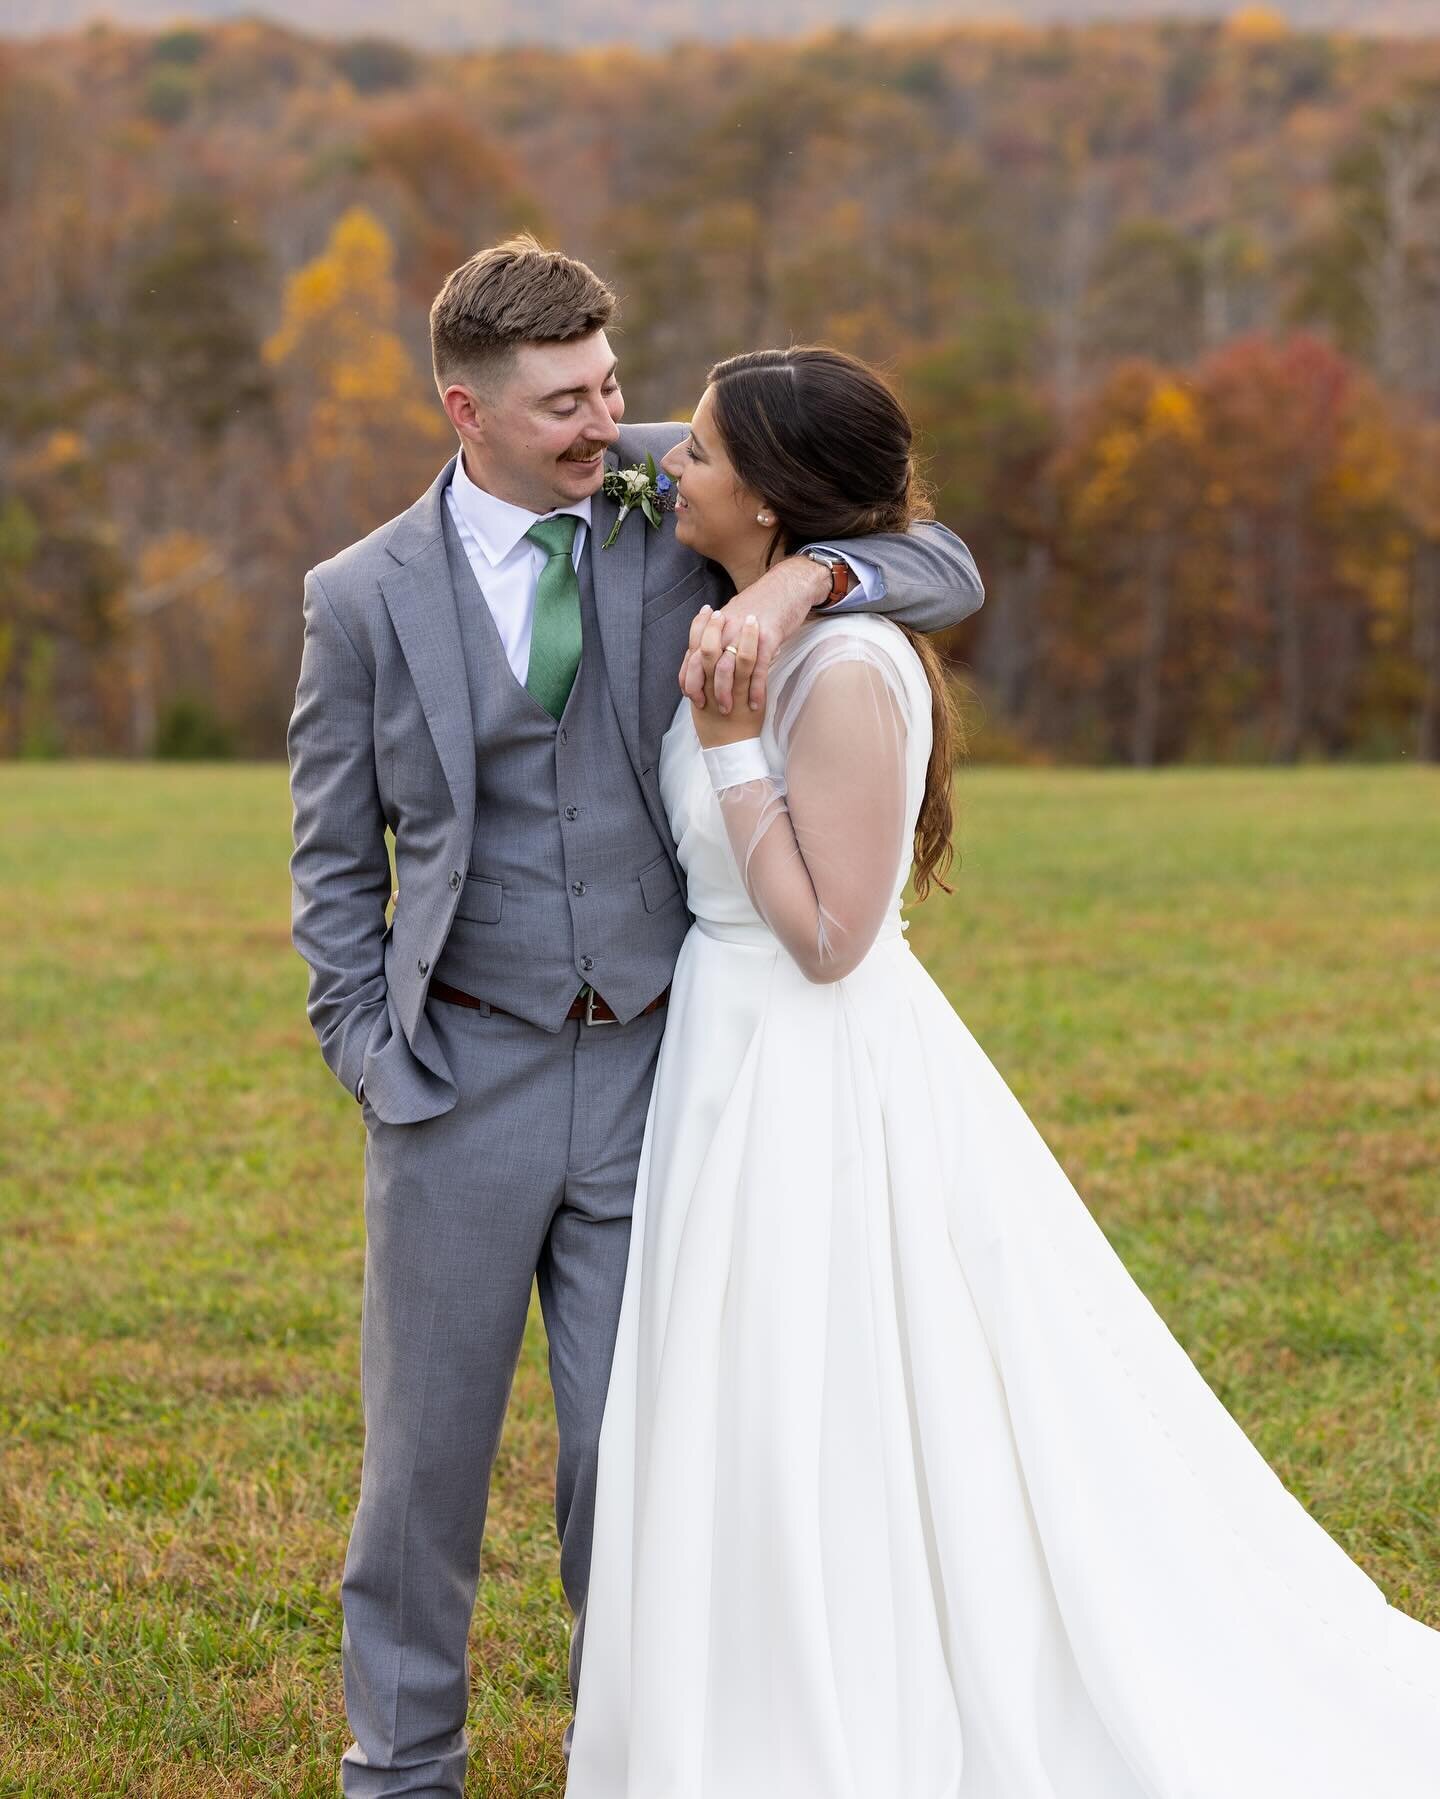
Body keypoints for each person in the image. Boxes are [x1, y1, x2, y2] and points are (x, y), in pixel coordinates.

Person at [562, 346, 1440, 1797]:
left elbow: (833, 936)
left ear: (775, 500)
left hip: (805, 1061)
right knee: (748, 1393)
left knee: (824, 1394)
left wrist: (730, 742)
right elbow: (721, 475)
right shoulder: (768, 577)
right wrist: (799, 573)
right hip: (726, 1055)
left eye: (703, 455)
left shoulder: (842, 672)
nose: (671, 468)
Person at [285, 239, 984, 1797]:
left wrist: (808, 572)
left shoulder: (667, 492)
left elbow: (941, 563)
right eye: (564, 402)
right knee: (422, 1469)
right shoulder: (362, 599)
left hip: (662, 1069)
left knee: (634, 1458)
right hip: (458, 1076)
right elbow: (333, 865)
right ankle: (403, 1770)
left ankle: (637, 1749)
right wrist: (369, 1054)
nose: (607, 419)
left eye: (613, 384)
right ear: (467, 410)